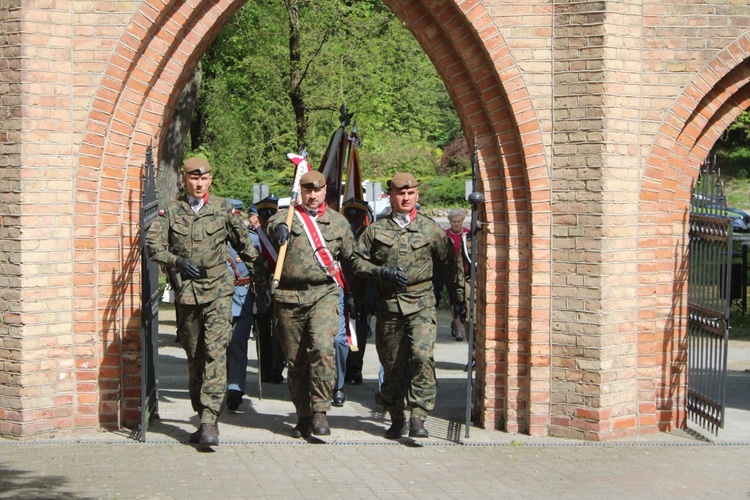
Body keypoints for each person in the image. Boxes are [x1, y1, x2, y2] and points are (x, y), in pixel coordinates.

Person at [145, 157, 260, 448]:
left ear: (210, 180)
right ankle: (201, 413)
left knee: (215, 352)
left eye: (204, 179)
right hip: (187, 294)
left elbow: (244, 245)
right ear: (184, 180)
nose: (198, 184)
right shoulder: (171, 211)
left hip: (219, 291)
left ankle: (210, 419)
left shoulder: (223, 209)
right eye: (193, 179)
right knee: (195, 356)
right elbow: (152, 245)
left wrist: (262, 279)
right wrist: (177, 261)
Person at [352, 172, 465, 439]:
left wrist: (459, 298)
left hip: (421, 304)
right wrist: (380, 273)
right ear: (390, 196)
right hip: (389, 306)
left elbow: (450, 264)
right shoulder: (376, 230)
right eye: (400, 194)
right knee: (391, 364)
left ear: (417, 195)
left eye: (410, 193)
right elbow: (356, 262)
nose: (406, 198)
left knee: (422, 357)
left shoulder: (430, 229)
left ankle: (419, 415)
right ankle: (396, 416)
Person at [267, 171, 355, 438]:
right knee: (296, 361)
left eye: (317, 190)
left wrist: (353, 295)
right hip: (289, 297)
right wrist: (280, 229)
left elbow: (351, 261)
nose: (313, 195)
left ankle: (320, 411)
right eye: (307, 191)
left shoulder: (338, 224)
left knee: (322, 348)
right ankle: (303, 414)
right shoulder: (288, 217)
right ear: (301, 192)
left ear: (325, 190)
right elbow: (273, 224)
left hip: (324, 294)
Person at [225, 199, 259, 412]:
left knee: (237, 344)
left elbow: (260, 270)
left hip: (243, 297)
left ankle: (235, 389)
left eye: (235, 215)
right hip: (217, 298)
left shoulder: (252, 240)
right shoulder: (215, 240)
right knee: (217, 346)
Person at [342, 198, 376, 386]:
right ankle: (341, 368)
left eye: (357, 215)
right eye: (349, 214)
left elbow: (372, 269)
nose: (353, 219)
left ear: (364, 217)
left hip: (361, 294)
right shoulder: (340, 233)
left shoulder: (368, 235)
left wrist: (371, 298)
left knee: (358, 334)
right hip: (339, 291)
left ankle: (355, 367)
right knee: (340, 335)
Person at [253, 195, 286, 384]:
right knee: (262, 331)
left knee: (278, 330)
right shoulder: (254, 236)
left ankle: (276, 368)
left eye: (270, 214)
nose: (266, 218)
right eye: (263, 214)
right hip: (259, 288)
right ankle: (264, 369)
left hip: (279, 287)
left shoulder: (280, 233)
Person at [326, 184, 350, 407]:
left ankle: (338, 385)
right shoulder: (307, 226)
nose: (329, 205)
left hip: (338, 290)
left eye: (333, 201)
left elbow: (352, 260)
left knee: (338, 341)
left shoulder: (342, 226)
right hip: (313, 292)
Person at [443, 208, 472, 342]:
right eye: (454, 222)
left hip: (466, 272)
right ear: (450, 222)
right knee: (454, 300)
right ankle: (458, 329)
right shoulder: (445, 235)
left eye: (459, 221)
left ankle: (460, 322)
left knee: (464, 300)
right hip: (451, 273)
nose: (456, 224)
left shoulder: (467, 234)